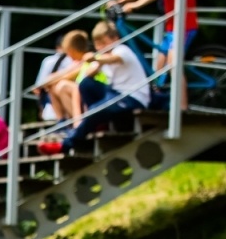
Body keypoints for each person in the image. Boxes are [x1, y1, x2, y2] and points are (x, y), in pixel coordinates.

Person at [37, 23, 149, 154]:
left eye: (104, 42)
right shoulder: (104, 57)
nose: (101, 47)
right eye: (98, 44)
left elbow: (114, 59)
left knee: (95, 109)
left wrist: (96, 59)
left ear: (115, 39)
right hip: (116, 94)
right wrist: (90, 65)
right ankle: (95, 124)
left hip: (132, 97)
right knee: (86, 84)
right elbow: (88, 73)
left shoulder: (122, 49)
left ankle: (66, 145)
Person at [114, 0, 198, 101]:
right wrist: (120, 1)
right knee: (159, 65)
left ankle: (182, 108)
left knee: (174, 64)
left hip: (184, 27)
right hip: (173, 28)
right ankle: (158, 96)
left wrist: (135, 5)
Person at [34, 44, 75, 120]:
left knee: (57, 87)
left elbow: (37, 89)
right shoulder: (72, 59)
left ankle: (64, 121)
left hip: (50, 109)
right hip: (66, 103)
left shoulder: (48, 61)